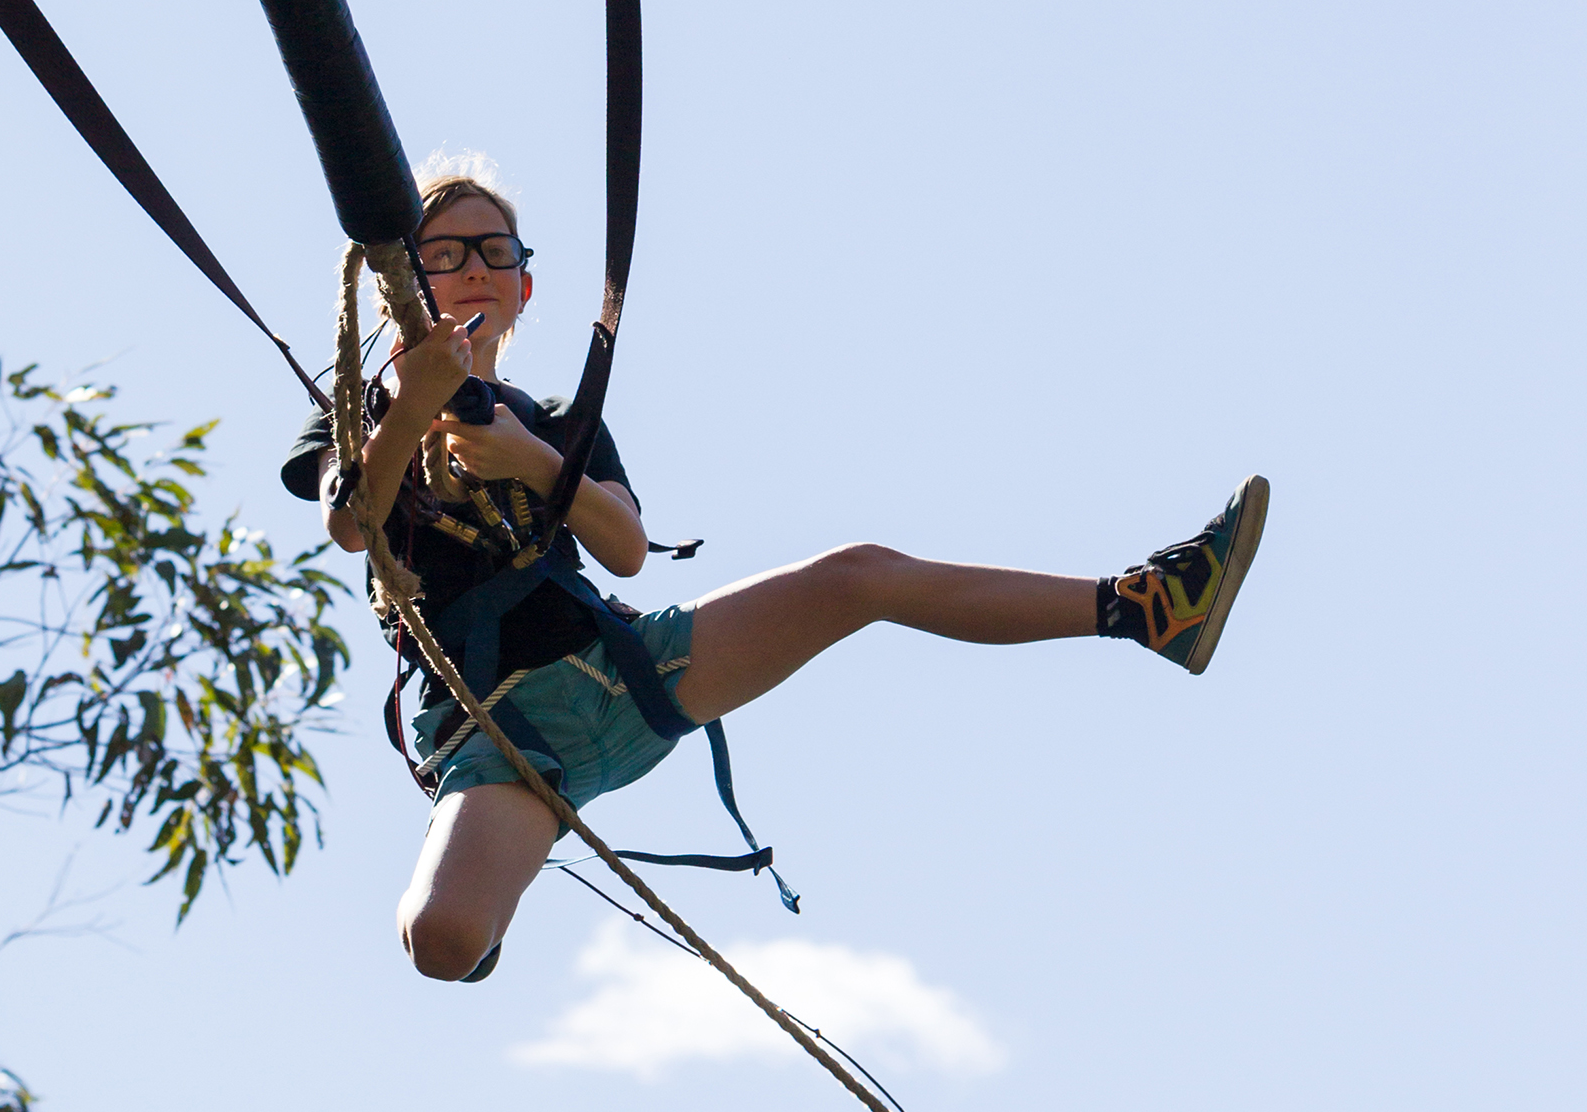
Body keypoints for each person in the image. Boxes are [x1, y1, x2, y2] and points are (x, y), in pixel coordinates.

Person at [282, 163, 1269, 985]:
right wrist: (410, 411)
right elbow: (349, 521)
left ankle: (1141, 607)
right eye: (445, 253)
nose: (473, 269)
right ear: (400, 284)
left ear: (523, 288)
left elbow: (623, 543)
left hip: (623, 667)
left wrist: (530, 462)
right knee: (441, 945)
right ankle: (489, 883)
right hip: (502, 734)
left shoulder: (551, 420)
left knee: (856, 576)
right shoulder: (361, 407)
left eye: (495, 252)